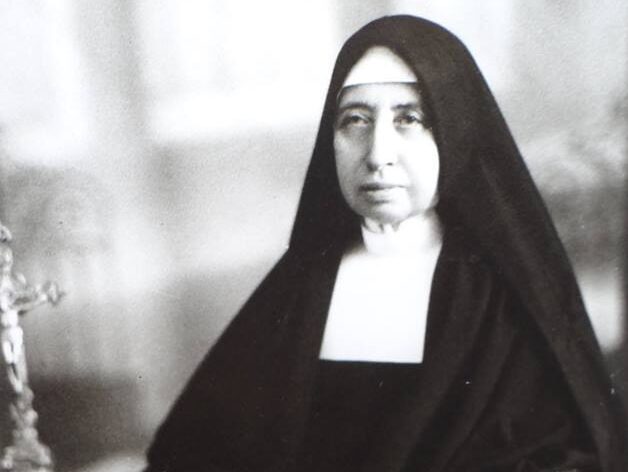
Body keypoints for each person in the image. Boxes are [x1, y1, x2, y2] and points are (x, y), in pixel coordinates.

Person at [144, 15, 627, 472]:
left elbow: (565, 453)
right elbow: (194, 449)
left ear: (456, 132)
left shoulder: (504, 301)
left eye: (409, 119)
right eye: (355, 120)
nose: (377, 154)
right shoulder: (299, 288)